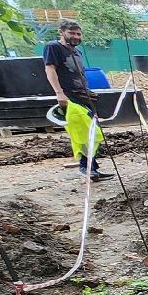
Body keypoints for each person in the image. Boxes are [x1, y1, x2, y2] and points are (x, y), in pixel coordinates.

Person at [42, 19, 108, 181]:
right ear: (62, 32)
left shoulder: (77, 52)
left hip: (83, 95)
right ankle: (85, 167)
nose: (76, 37)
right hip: (70, 97)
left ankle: (92, 168)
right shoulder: (53, 48)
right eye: (72, 33)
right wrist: (59, 93)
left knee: (92, 133)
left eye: (78, 34)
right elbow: (50, 69)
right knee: (84, 133)